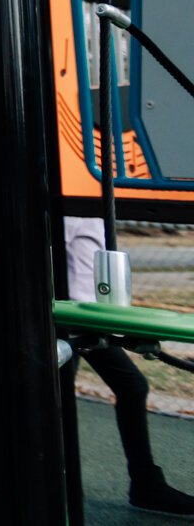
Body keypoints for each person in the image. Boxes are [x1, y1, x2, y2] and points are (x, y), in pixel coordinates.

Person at [63, 216, 194, 516]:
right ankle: (48, 482)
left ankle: (146, 485)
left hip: (91, 320)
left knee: (132, 387)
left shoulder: (94, 205)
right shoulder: (70, 203)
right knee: (55, 398)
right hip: (69, 318)